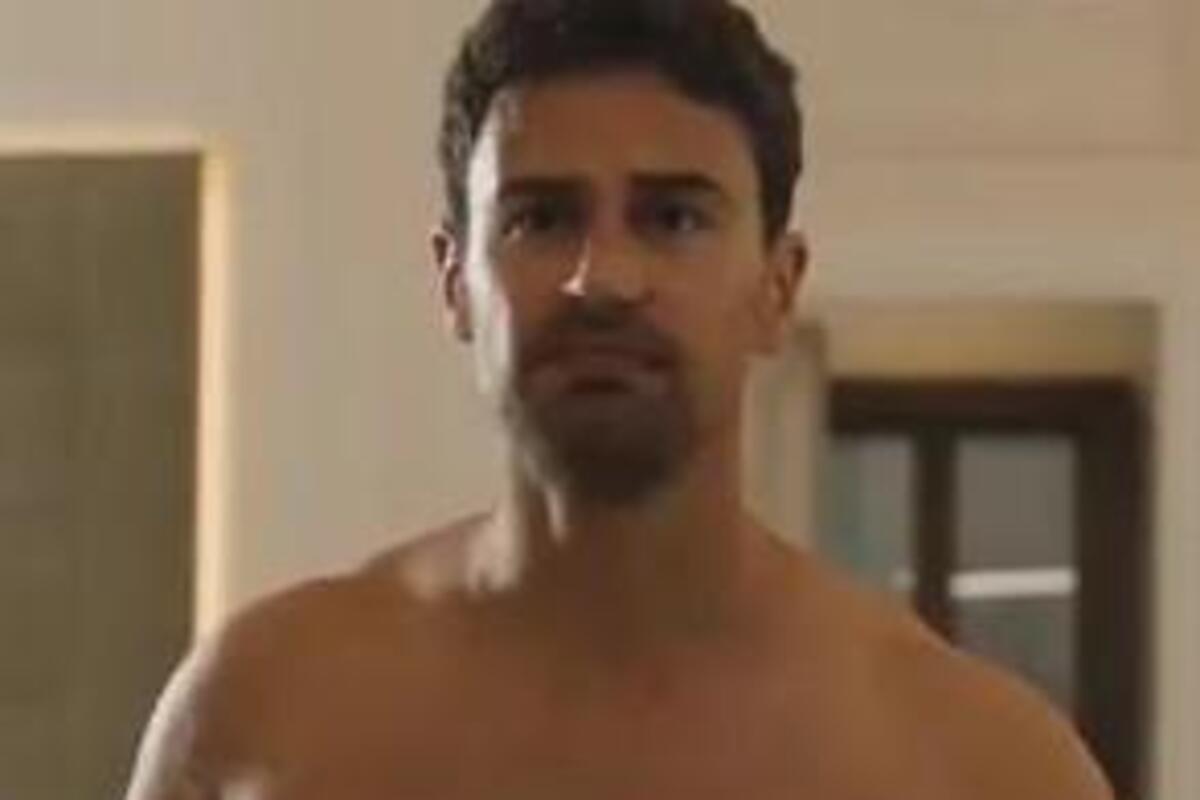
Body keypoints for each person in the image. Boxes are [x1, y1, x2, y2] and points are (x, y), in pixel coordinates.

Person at [124, 0, 1114, 797]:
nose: (602, 276)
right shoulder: (264, 716)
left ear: (777, 286)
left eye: (673, 217)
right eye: (541, 217)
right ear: (454, 282)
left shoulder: (981, 765)